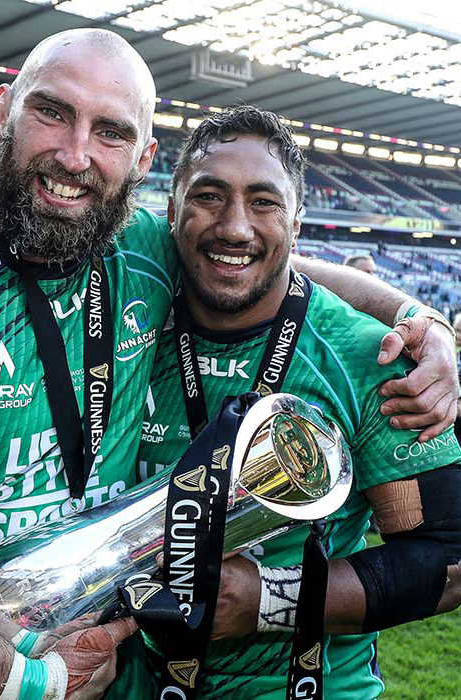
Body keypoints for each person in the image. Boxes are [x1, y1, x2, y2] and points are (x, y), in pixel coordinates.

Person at [0, 29, 456, 700]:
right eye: (52, 112)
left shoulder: (142, 255)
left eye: (111, 131)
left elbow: (254, 255)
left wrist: (414, 319)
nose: (74, 154)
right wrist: (33, 686)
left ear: (143, 158)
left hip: (116, 673)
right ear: (1, 109)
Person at [137, 106, 461, 699]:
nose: (234, 227)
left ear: (297, 219)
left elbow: (449, 559)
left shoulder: (372, 357)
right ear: (171, 210)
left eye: (264, 202)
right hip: (124, 678)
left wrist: (269, 601)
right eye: (209, 196)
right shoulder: (130, 315)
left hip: (302, 687)